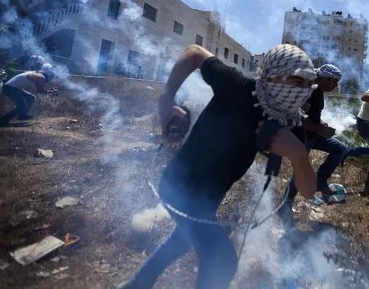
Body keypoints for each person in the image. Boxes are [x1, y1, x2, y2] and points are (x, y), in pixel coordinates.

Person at [118, 44, 319, 289]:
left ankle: (136, 285)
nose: (303, 90)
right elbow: (194, 53)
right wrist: (167, 98)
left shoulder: (288, 120)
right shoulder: (238, 88)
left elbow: (308, 191)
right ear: (272, 75)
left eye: (308, 84)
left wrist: (299, 155)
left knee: (181, 240)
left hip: (207, 200)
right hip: (177, 186)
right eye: (296, 80)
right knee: (221, 260)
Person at [279, 64, 349, 227]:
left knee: (340, 149)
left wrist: (321, 124)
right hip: (302, 136)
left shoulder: (319, 90)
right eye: (335, 82)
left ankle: (321, 182)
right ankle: (285, 204)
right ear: (325, 78)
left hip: (313, 134)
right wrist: (319, 128)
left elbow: (311, 115)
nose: (336, 85)